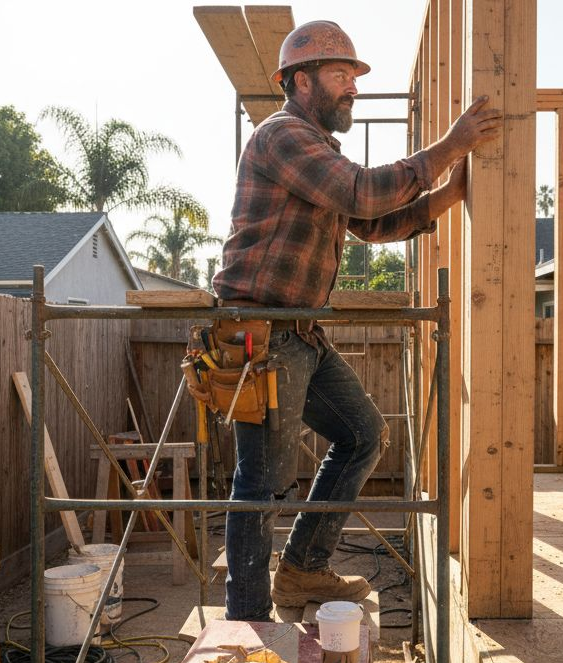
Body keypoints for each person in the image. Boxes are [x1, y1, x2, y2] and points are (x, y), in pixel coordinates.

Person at [211, 19, 501, 622]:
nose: (353, 88)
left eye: (354, 76)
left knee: (362, 434)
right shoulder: (283, 137)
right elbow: (365, 195)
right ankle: (247, 624)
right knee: (260, 481)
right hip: (260, 334)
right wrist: (449, 147)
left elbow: (370, 224)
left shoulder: (317, 151)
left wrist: (447, 194)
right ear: (299, 80)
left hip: (299, 333)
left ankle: (301, 572)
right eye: (341, 75)